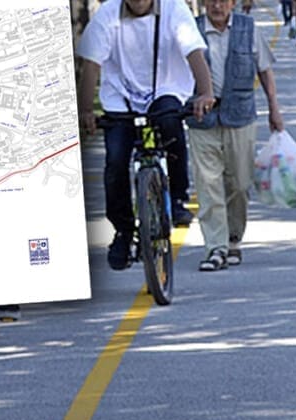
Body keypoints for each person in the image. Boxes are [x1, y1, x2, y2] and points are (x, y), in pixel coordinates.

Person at [76, 0, 216, 271]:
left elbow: (194, 52)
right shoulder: (108, 14)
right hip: (121, 96)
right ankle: (123, 231)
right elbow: (92, 64)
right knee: (116, 162)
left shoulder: (174, 9)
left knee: (170, 124)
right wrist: (85, 110)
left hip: (166, 88)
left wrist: (205, 92)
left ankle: (176, 197)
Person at [189, 0, 283, 271]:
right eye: (212, 0)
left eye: (224, 0)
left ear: (233, 3)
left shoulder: (248, 28)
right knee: (208, 185)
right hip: (201, 118)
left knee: (240, 184)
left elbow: (265, 71)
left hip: (240, 116)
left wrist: (274, 109)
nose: (217, 6)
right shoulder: (191, 31)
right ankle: (215, 248)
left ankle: (233, 240)